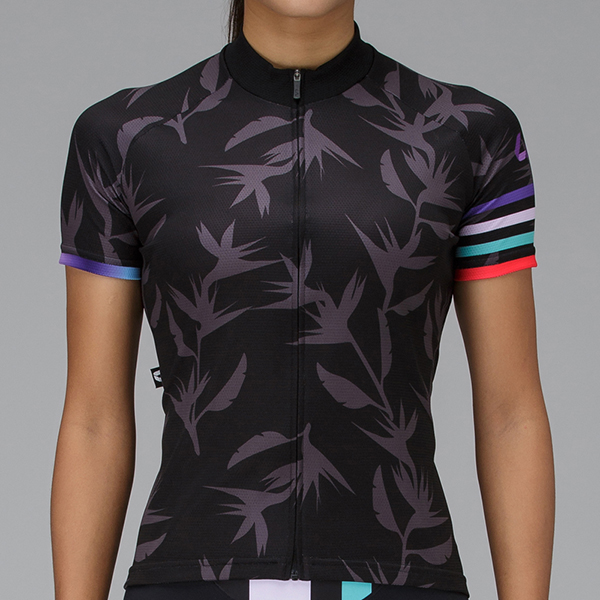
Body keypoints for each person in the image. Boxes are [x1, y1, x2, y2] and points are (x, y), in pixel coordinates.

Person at [50, 1, 555, 599]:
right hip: (191, 578)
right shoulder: (125, 137)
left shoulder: (467, 134)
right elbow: (93, 417)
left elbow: (510, 411)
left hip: (400, 579)